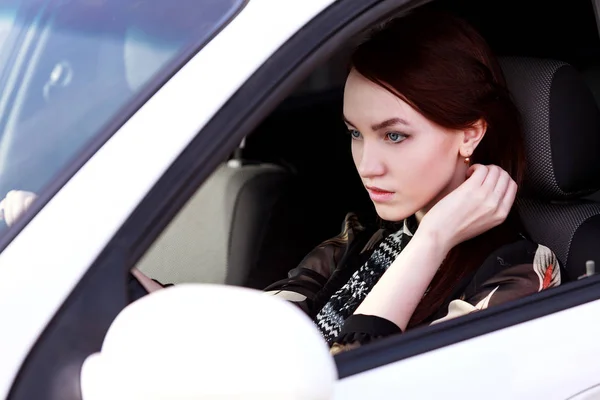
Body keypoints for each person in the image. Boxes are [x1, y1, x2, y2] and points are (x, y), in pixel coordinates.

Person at [0, 9, 560, 355]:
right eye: (355, 133)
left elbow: (351, 375)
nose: (367, 163)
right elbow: (256, 333)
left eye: (393, 136)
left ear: (470, 134)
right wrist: (105, 269)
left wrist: (434, 238)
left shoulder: (520, 277)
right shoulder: (359, 238)